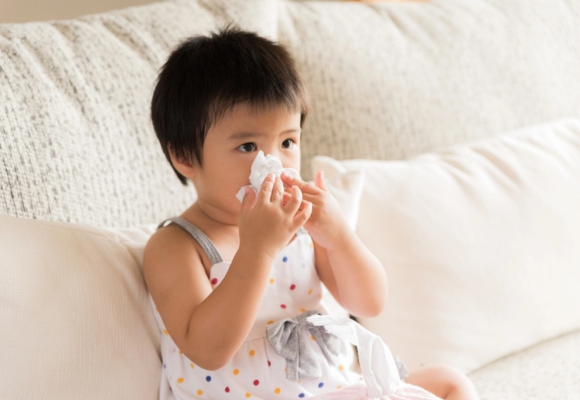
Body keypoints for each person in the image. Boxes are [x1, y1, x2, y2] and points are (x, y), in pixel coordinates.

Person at [144, 27, 479, 400]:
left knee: (449, 382)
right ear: (185, 156)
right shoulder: (177, 245)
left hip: (333, 388)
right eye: (248, 145)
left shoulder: (299, 226)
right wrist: (257, 251)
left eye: (288, 141)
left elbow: (369, 303)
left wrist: (338, 237)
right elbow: (208, 350)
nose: (274, 162)